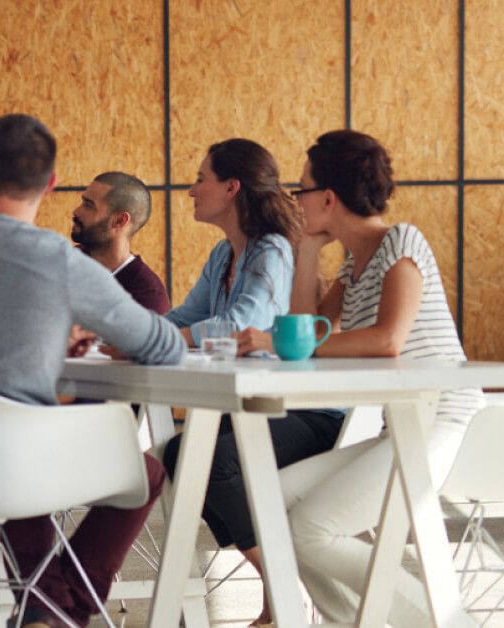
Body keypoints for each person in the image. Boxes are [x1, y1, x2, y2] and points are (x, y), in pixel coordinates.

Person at [0, 114, 185, 628]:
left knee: (16, 442)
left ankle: (36, 606)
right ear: (50, 186)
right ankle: (51, 608)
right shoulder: (56, 259)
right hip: (10, 459)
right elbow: (161, 344)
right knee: (144, 470)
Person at [237, 130, 484, 626]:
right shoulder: (354, 264)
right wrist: (307, 251)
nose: (294, 199)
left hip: (441, 422)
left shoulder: (402, 242)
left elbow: (388, 338)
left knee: (309, 530)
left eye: (299, 189)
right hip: (402, 428)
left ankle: (447, 622)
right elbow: (303, 336)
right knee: (269, 500)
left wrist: (277, 343)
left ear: (327, 197)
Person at [159, 138, 345, 625]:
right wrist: (130, 333)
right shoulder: (224, 257)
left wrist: (158, 338)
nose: (191, 189)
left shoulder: (274, 252)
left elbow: (241, 328)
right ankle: (279, 586)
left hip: (310, 413)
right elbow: (186, 317)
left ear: (231, 186)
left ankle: (282, 586)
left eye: (201, 178)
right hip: (260, 409)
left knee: (214, 464)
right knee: (180, 454)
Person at [71, 171, 170, 314]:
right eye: (82, 202)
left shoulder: (148, 299)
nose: (76, 211)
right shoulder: (69, 262)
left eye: (89, 205)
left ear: (120, 221)